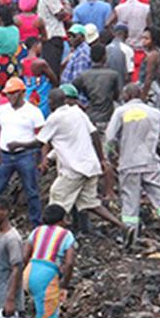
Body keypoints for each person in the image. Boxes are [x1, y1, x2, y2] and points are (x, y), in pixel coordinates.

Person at [105, 84, 160, 246]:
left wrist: (109, 157)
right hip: (150, 162)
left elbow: (109, 138)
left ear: (126, 96)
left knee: (130, 202)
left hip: (129, 164)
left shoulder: (121, 112)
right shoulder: (153, 112)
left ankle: (130, 234)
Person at [32, 87, 121, 231]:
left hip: (74, 169)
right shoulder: (78, 112)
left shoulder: (55, 118)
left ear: (51, 102)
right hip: (90, 166)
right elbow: (94, 134)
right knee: (90, 204)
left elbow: (39, 142)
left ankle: (53, 236)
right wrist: (102, 159)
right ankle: (122, 226)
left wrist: (17, 144)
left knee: (57, 198)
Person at [0, 77, 45, 228]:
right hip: (5, 156)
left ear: (22, 93)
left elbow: (43, 137)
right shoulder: (2, 110)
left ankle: (36, 225)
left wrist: (43, 159)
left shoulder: (33, 112)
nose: (10, 97)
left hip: (26, 155)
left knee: (32, 190)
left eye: (13, 93)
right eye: (8, 94)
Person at [22, 204, 75, 318]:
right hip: (47, 275)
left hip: (29, 272)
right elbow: (69, 263)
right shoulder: (66, 235)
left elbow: (24, 256)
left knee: (43, 309)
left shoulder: (36, 231)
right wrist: (64, 285)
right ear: (61, 221)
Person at [73, 44, 123, 127]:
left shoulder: (84, 76)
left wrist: (81, 105)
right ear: (104, 57)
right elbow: (116, 96)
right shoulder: (113, 75)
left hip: (90, 118)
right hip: (107, 118)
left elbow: (70, 91)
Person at [37, 0, 69, 78]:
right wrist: (65, 10)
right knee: (53, 69)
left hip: (50, 36)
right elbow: (61, 14)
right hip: (52, 37)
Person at [139, 26, 160, 107]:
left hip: (150, 90)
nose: (143, 41)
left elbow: (149, 77)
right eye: (143, 38)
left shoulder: (152, 56)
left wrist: (143, 96)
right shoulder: (154, 53)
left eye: (146, 39)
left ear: (154, 40)